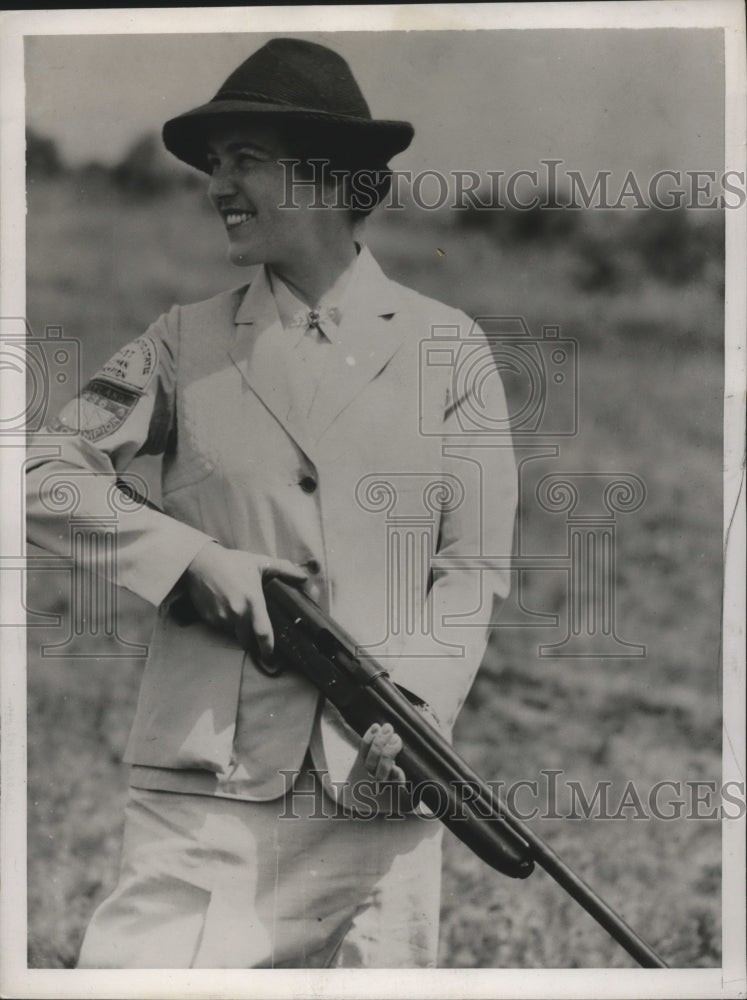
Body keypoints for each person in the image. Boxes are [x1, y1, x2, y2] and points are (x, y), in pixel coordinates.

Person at [26, 37, 517, 968]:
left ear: (329, 176)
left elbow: (471, 569)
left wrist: (412, 707)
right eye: (214, 164)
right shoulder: (180, 342)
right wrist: (190, 561)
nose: (218, 185)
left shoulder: (449, 350)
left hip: (381, 796)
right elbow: (34, 472)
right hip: (208, 795)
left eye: (244, 158)